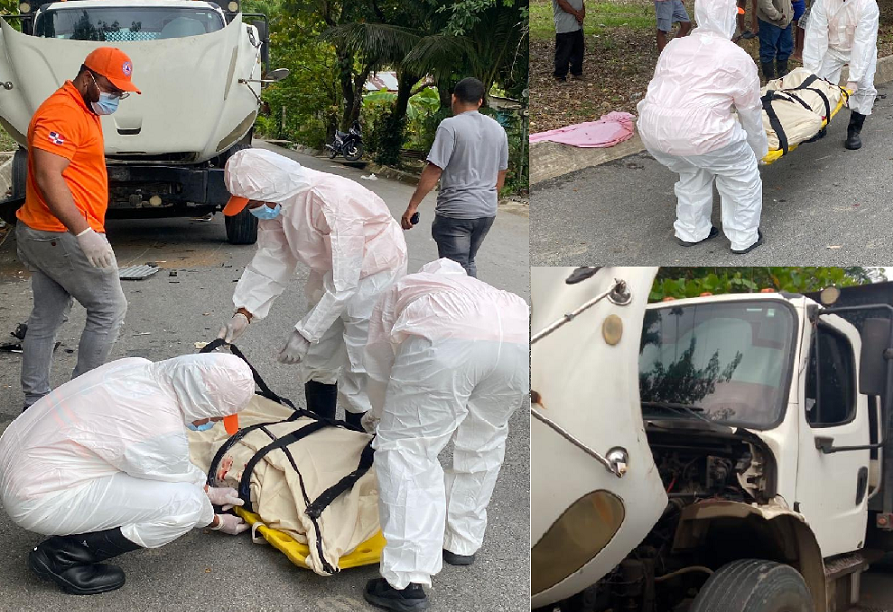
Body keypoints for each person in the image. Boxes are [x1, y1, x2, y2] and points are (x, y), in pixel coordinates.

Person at [0, 353, 254, 595]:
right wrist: (217, 522)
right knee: (185, 506)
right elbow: (180, 487)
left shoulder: (136, 367)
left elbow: (170, 469)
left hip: (15, 457)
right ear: (203, 402)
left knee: (170, 485)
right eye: (217, 415)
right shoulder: (159, 426)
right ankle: (63, 556)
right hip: (36, 497)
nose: (214, 421)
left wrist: (212, 492)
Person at [361, 259, 530, 611]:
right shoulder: (488, 292)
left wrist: (379, 416)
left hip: (449, 340)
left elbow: (378, 362)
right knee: (485, 441)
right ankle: (461, 542)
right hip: (515, 346)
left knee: (407, 450)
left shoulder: (404, 289)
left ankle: (405, 583)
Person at [218, 148, 407, 426]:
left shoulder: (332, 201)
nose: (251, 208)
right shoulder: (278, 204)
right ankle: (321, 429)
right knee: (319, 359)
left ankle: (360, 437)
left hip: (374, 273)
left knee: (360, 361)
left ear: (270, 187)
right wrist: (245, 312)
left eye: (252, 201)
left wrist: (305, 333)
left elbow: (344, 283)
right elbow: (273, 258)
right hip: (332, 267)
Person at [14, 47, 140, 411]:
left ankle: (35, 402)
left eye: (122, 92)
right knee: (109, 309)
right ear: (88, 77)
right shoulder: (62, 112)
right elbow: (47, 174)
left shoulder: (82, 106)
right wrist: (84, 232)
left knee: (47, 317)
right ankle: (80, 402)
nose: (117, 97)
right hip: (60, 233)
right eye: (112, 88)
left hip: (47, 232)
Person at [637, 0, 768, 255]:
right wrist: (758, 150)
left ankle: (691, 229)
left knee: (693, 169)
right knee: (741, 176)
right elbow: (750, 111)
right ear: (729, 16)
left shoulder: (674, 46)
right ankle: (743, 237)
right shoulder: (735, 57)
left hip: (654, 130)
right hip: (702, 133)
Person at [401, 78, 508, 278]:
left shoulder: (450, 126)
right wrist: (487, 200)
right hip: (486, 211)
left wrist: (412, 206)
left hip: (457, 212)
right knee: (467, 263)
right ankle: (475, 304)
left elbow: (434, 169)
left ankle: (470, 307)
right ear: (480, 102)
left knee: (454, 273)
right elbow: (501, 172)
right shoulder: (498, 129)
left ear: (454, 98)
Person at [803, 0, 878, 150]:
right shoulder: (822, 3)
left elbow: (863, 43)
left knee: (865, 86)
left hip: (860, 49)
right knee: (819, 84)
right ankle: (820, 125)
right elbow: (815, 39)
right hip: (832, 48)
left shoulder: (868, 4)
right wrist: (811, 74)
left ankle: (854, 130)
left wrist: (855, 78)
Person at [757, 0, 794, 80]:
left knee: (785, 47)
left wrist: (789, 11)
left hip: (785, 20)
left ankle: (782, 71)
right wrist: (777, 16)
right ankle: (769, 76)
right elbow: (765, 4)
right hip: (770, 22)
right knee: (768, 49)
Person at [552, 0, 585, 81]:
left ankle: (576, 72)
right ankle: (560, 75)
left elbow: (581, 2)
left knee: (578, 50)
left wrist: (582, 13)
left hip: (577, 25)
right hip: (565, 24)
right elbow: (562, 3)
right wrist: (576, 14)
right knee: (564, 52)